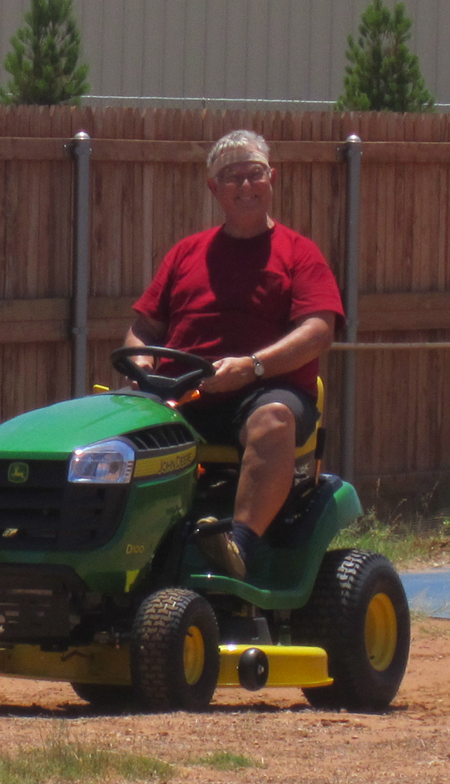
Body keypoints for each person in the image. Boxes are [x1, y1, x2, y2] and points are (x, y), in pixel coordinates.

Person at [123, 129, 345, 579]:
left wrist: (252, 367)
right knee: (112, 429)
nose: (245, 186)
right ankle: (118, 551)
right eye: (231, 177)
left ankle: (237, 548)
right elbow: (141, 330)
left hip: (267, 391)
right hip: (183, 395)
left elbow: (318, 332)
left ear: (271, 179)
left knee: (273, 419)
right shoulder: (185, 254)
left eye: (254, 174)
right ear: (214, 189)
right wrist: (142, 363)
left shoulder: (300, 255)